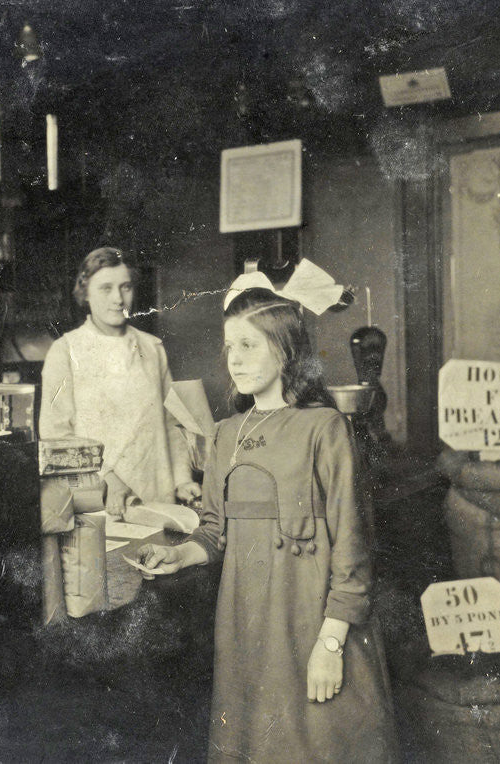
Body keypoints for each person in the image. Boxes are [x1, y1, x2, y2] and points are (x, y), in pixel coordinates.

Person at [136, 285, 398, 763]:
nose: (234, 359)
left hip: (313, 624)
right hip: (247, 628)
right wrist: (178, 555)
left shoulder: (324, 428)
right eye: (229, 346)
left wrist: (332, 643)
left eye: (249, 345)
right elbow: (215, 530)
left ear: (285, 348)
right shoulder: (224, 435)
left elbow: (354, 545)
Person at [39, 246, 200, 516]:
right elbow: (56, 439)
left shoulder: (152, 348)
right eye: (105, 288)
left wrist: (182, 480)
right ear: (85, 292)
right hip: (99, 502)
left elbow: (172, 425)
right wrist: (109, 481)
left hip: (157, 497)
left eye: (125, 287)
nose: (118, 298)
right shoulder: (65, 351)